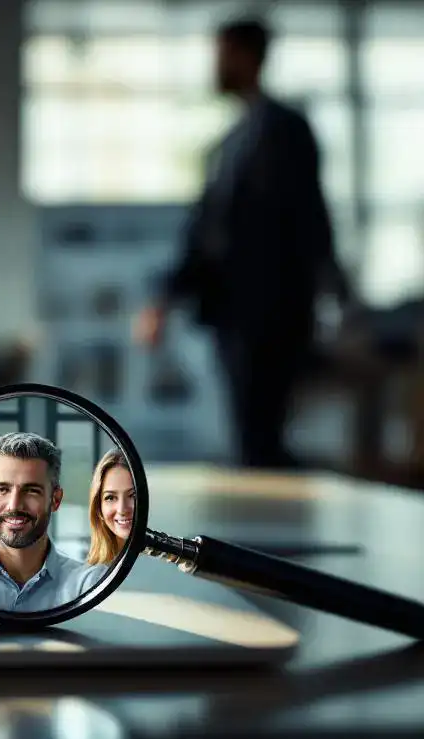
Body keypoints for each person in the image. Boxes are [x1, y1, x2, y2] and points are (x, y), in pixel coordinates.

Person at [133, 18, 352, 470]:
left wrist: (337, 294)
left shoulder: (282, 130)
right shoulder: (234, 140)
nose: (215, 64)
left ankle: (283, 534)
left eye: (223, 53)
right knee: (252, 435)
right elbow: (207, 231)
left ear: (248, 57)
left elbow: (309, 216)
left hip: (271, 312)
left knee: (261, 435)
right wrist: (166, 296)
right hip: (237, 313)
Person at [0, 432, 108, 612]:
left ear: (55, 499)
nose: (14, 505)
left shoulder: (88, 584)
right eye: (3, 489)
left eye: (31, 491)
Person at [86, 448, 135, 567]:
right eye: (110, 498)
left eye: (133, 495)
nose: (122, 509)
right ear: (98, 508)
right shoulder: (91, 576)